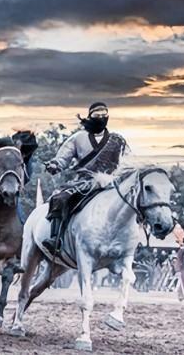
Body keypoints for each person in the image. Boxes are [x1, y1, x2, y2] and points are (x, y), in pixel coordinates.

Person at [41, 102, 128, 254]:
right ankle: (55, 239)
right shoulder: (78, 138)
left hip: (111, 183)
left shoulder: (117, 140)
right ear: (90, 117)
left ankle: (132, 240)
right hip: (84, 182)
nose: (101, 118)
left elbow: (126, 161)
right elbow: (63, 158)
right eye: (97, 115)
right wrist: (55, 164)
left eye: (104, 115)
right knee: (60, 198)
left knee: (132, 201)